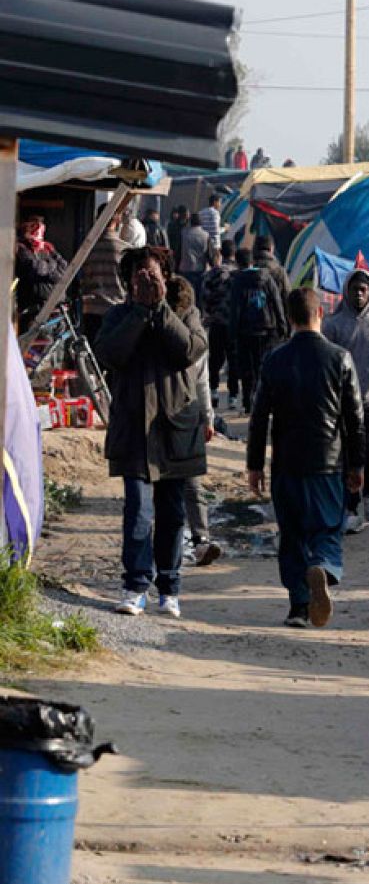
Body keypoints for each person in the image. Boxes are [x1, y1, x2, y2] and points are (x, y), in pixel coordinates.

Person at [95, 246, 209, 618]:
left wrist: (160, 310)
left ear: (167, 276)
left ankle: (170, 587)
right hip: (133, 430)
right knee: (138, 511)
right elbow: (111, 354)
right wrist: (141, 313)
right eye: (139, 276)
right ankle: (135, 586)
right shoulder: (119, 315)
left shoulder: (185, 313)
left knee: (173, 513)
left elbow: (190, 350)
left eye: (153, 275)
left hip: (175, 429)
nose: (146, 281)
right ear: (128, 282)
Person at [247, 287, 364, 629]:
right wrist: (356, 465)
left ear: (289, 318)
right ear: (320, 315)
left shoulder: (274, 359)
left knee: (292, 535)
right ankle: (324, 566)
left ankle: (298, 606)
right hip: (327, 462)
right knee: (328, 527)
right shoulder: (339, 358)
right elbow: (354, 418)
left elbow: (259, 417)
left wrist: (255, 465)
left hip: (286, 463)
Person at [320, 269, 369, 533]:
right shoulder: (332, 325)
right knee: (347, 456)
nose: (359, 294)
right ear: (346, 291)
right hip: (341, 403)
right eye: (354, 289)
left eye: (364, 289)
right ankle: (351, 508)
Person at [168, 276, 223, 568]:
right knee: (191, 485)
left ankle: (184, 543)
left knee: (169, 486)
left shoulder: (159, 327)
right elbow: (202, 381)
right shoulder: (197, 334)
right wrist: (207, 417)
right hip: (188, 414)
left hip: (166, 415)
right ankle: (200, 540)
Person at [229, 238, 290, 411]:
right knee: (265, 366)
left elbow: (235, 308)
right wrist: (283, 325)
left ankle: (248, 401)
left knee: (247, 368)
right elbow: (280, 300)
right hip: (268, 328)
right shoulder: (276, 272)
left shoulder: (239, 279)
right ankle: (265, 401)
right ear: (271, 248)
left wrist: (232, 332)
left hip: (245, 330)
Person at [77, 206, 130, 343]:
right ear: (117, 221)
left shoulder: (87, 248)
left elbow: (81, 276)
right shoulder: (125, 250)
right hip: (117, 309)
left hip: (91, 309)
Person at [199, 242, 239, 408]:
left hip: (215, 322)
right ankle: (233, 396)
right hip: (233, 324)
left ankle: (213, 391)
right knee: (233, 359)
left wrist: (210, 312)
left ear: (221, 254)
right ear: (234, 254)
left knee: (215, 359)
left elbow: (204, 297)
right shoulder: (238, 274)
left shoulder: (211, 275)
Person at [15, 215, 66, 328]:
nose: (38, 232)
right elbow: (35, 268)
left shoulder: (47, 247)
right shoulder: (21, 247)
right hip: (34, 309)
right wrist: (52, 265)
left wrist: (48, 267)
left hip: (56, 307)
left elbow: (63, 269)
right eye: (34, 227)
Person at [178, 213, 210, 287]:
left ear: (190, 222)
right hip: (200, 270)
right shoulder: (206, 235)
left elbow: (178, 251)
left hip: (185, 268)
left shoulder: (183, 233)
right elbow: (209, 254)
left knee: (185, 292)